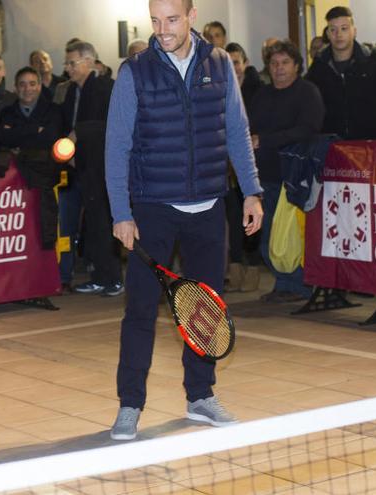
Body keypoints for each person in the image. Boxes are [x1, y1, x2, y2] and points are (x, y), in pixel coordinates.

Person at [105, 0, 263, 440]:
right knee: (139, 311)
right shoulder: (134, 71)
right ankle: (130, 404)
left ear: (192, 16)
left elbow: (236, 128)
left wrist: (251, 190)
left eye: (171, 20)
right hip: (151, 208)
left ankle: (200, 395)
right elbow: (116, 146)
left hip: (209, 207)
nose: (162, 30)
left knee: (205, 311)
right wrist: (122, 213)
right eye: (155, 21)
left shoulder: (219, 63)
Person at [248, 40, 323, 303]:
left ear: (297, 66)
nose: (279, 68)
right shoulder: (262, 94)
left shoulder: (307, 92)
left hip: (294, 176)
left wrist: (265, 140)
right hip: (263, 175)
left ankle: (298, 285)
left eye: (285, 63)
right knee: (268, 238)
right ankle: (285, 284)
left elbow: (308, 129)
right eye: (274, 63)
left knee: (287, 236)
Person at [62, 41, 123, 297]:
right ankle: (99, 275)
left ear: (89, 62)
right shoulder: (71, 92)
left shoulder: (104, 87)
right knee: (92, 225)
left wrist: (78, 133)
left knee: (102, 222)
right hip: (82, 165)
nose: (67, 69)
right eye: (66, 63)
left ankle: (113, 279)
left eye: (72, 63)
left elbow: (111, 124)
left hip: (101, 166)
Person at [0, 66, 64, 249]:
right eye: (22, 84)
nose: (27, 89)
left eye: (32, 84)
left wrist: (18, 136)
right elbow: (3, 137)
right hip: (13, 190)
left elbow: (51, 137)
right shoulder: (6, 113)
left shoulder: (54, 111)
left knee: (43, 230)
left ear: (40, 86)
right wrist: (35, 130)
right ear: (15, 87)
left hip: (44, 181)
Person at [305, 6, 376, 140]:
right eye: (333, 30)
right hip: (329, 146)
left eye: (344, 28)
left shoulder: (372, 62)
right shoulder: (319, 66)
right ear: (328, 34)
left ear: (354, 31)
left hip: (368, 145)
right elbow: (311, 108)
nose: (338, 34)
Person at [224, 42, 263, 292]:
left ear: (245, 64)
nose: (234, 67)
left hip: (249, 165)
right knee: (231, 216)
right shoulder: (220, 89)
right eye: (229, 63)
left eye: (237, 62)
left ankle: (252, 268)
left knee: (250, 216)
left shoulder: (257, 92)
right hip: (224, 168)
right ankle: (234, 266)